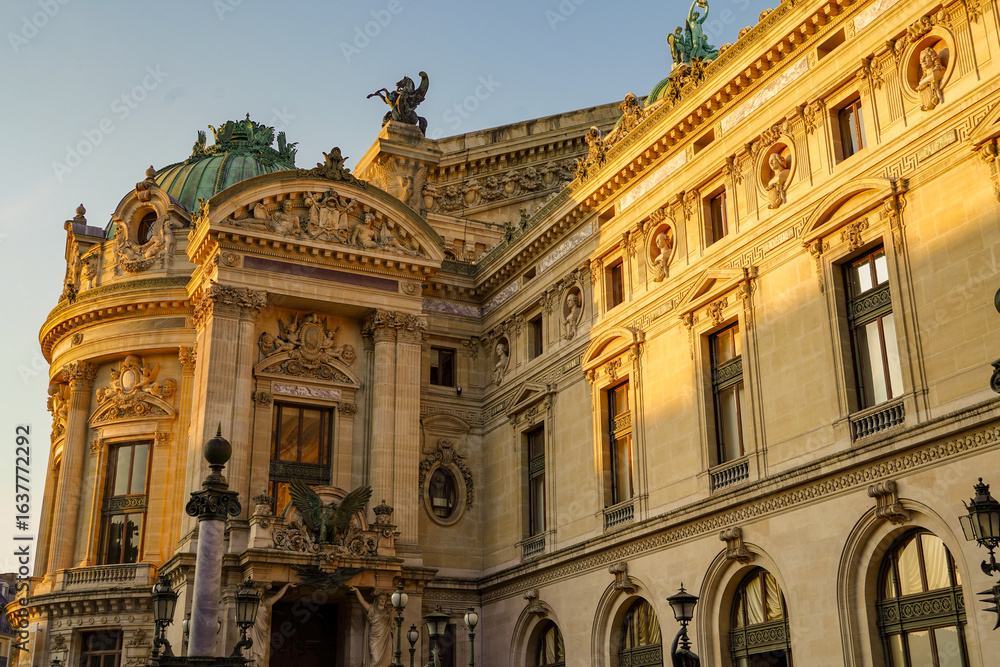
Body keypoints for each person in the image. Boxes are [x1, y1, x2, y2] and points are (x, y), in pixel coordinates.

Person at [249, 582, 296, 667]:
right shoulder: (249, 605)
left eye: (260, 591)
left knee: (261, 655)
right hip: (255, 631)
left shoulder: (266, 603)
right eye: (257, 591)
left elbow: (278, 596)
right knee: (254, 654)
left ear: (263, 593)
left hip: (263, 633)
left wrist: (287, 585)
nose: (259, 593)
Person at [349, 587, 393, 667]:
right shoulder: (372, 609)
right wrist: (357, 590)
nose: (383, 600)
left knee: (386, 659)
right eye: (381, 599)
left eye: (384, 599)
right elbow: (362, 602)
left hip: (385, 636)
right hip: (375, 637)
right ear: (377, 599)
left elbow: (391, 625)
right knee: (375, 658)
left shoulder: (387, 611)